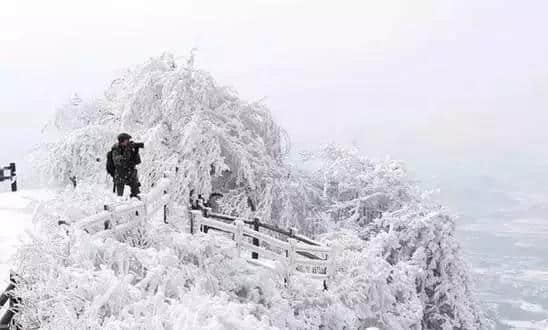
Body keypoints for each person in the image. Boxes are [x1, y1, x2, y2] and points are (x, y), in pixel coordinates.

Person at [111, 133, 141, 198]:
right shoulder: (116, 149)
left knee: (137, 195)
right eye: (127, 140)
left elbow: (138, 161)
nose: (128, 142)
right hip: (120, 175)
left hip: (131, 174)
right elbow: (120, 161)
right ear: (121, 141)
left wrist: (136, 151)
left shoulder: (130, 148)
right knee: (119, 198)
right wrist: (127, 151)